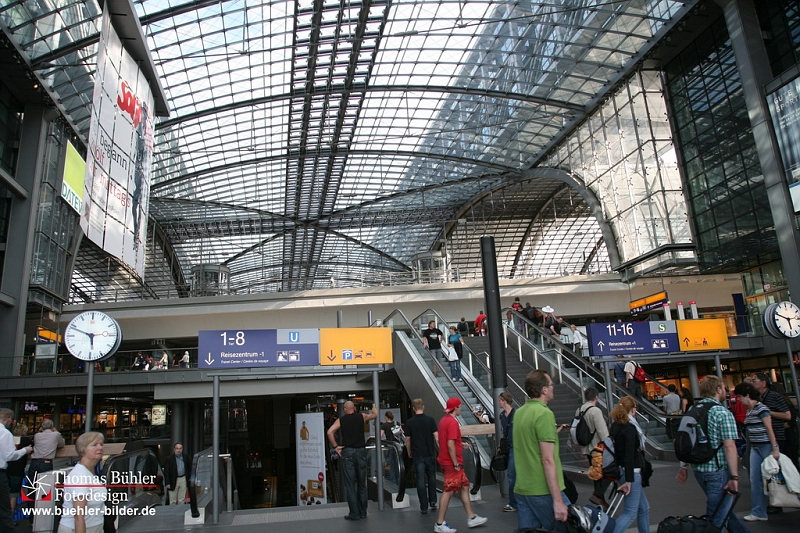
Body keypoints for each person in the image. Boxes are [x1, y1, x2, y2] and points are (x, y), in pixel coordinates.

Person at [676, 376, 748, 533]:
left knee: (722, 510)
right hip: (717, 469)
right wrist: (735, 477)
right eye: (723, 387)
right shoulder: (722, 412)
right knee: (716, 518)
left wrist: (683, 466)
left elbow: (687, 438)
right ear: (718, 390)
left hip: (698, 468)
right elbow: (729, 446)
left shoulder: (692, 410)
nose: (725, 391)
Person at [514, 369, 570, 532]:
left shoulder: (519, 413)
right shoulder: (544, 414)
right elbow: (547, 459)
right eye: (551, 385)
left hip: (523, 488)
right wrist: (558, 500)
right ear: (544, 389)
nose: (553, 388)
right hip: (542, 489)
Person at [434, 397, 487, 533]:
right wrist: (456, 463)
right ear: (456, 407)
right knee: (448, 491)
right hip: (453, 463)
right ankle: (439, 523)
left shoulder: (443, 421)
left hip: (448, 460)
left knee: (464, 486)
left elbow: (446, 441)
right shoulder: (452, 423)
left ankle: (471, 516)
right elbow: (450, 444)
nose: (461, 408)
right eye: (460, 406)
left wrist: (460, 445)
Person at [733, 381, 780, 522]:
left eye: (740, 397)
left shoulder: (761, 409)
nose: (739, 400)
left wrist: (774, 448)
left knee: (773, 477)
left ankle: (760, 510)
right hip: (755, 446)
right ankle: (758, 511)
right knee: (756, 479)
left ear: (747, 395)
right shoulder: (751, 410)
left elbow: (769, 428)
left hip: (765, 446)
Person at [327, 401, 378, 521]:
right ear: (354, 408)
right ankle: (363, 512)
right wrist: (374, 407)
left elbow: (329, 432)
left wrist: (336, 447)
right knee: (362, 484)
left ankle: (354, 513)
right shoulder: (362, 416)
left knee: (350, 485)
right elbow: (374, 415)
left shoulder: (341, 420)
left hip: (348, 452)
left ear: (345, 409)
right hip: (361, 451)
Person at [609, 396, 649, 533]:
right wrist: (630, 479)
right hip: (632, 472)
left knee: (644, 508)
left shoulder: (615, 426)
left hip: (620, 470)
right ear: (632, 409)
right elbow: (630, 455)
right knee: (630, 512)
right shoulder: (630, 428)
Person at [59, 431, 105, 533]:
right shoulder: (80, 475)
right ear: (82, 451)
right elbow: (79, 515)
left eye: (101, 444)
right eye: (94, 445)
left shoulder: (89, 472)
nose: (100, 448)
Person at [576, 387, 611, 509]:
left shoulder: (579, 410)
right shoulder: (595, 411)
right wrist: (609, 446)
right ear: (596, 397)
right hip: (598, 448)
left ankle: (600, 499)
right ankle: (598, 495)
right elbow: (603, 431)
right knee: (607, 471)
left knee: (596, 473)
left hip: (586, 447)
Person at [404, 398, 439, 515]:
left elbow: (407, 439)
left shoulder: (409, 422)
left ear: (413, 409)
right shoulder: (430, 420)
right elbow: (436, 436)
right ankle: (433, 500)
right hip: (429, 452)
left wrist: (409, 451)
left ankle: (423, 506)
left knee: (420, 479)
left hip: (417, 454)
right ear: (423, 407)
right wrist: (440, 449)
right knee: (432, 477)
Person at [751, 373, 791, 456]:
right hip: (763, 437)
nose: (752, 383)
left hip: (776, 435)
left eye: (754, 380)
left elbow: (787, 415)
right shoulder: (758, 398)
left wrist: (767, 412)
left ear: (763, 383)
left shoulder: (773, 396)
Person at [27, 418, 65, 497]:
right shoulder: (56, 435)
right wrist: (56, 431)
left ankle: (30, 507)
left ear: (42, 427)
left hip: (34, 462)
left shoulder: (37, 435)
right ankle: (42, 507)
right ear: (52, 426)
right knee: (45, 488)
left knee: (32, 487)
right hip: (46, 463)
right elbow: (62, 444)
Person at [8, 423, 32, 522]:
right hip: (18, 471)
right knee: (13, 495)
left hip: (6, 469)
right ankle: (10, 519)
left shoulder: (9, 439)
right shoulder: (26, 441)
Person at [498, 392, 517, 512]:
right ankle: (515, 501)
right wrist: (501, 445)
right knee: (512, 474)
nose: (498, 402)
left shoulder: (516, 414)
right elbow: (504, 432)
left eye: (500, 400)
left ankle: (514, 503)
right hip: (509, 446)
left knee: (512, 474)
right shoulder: (501, 416)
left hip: (516, 446)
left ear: (505, 401)